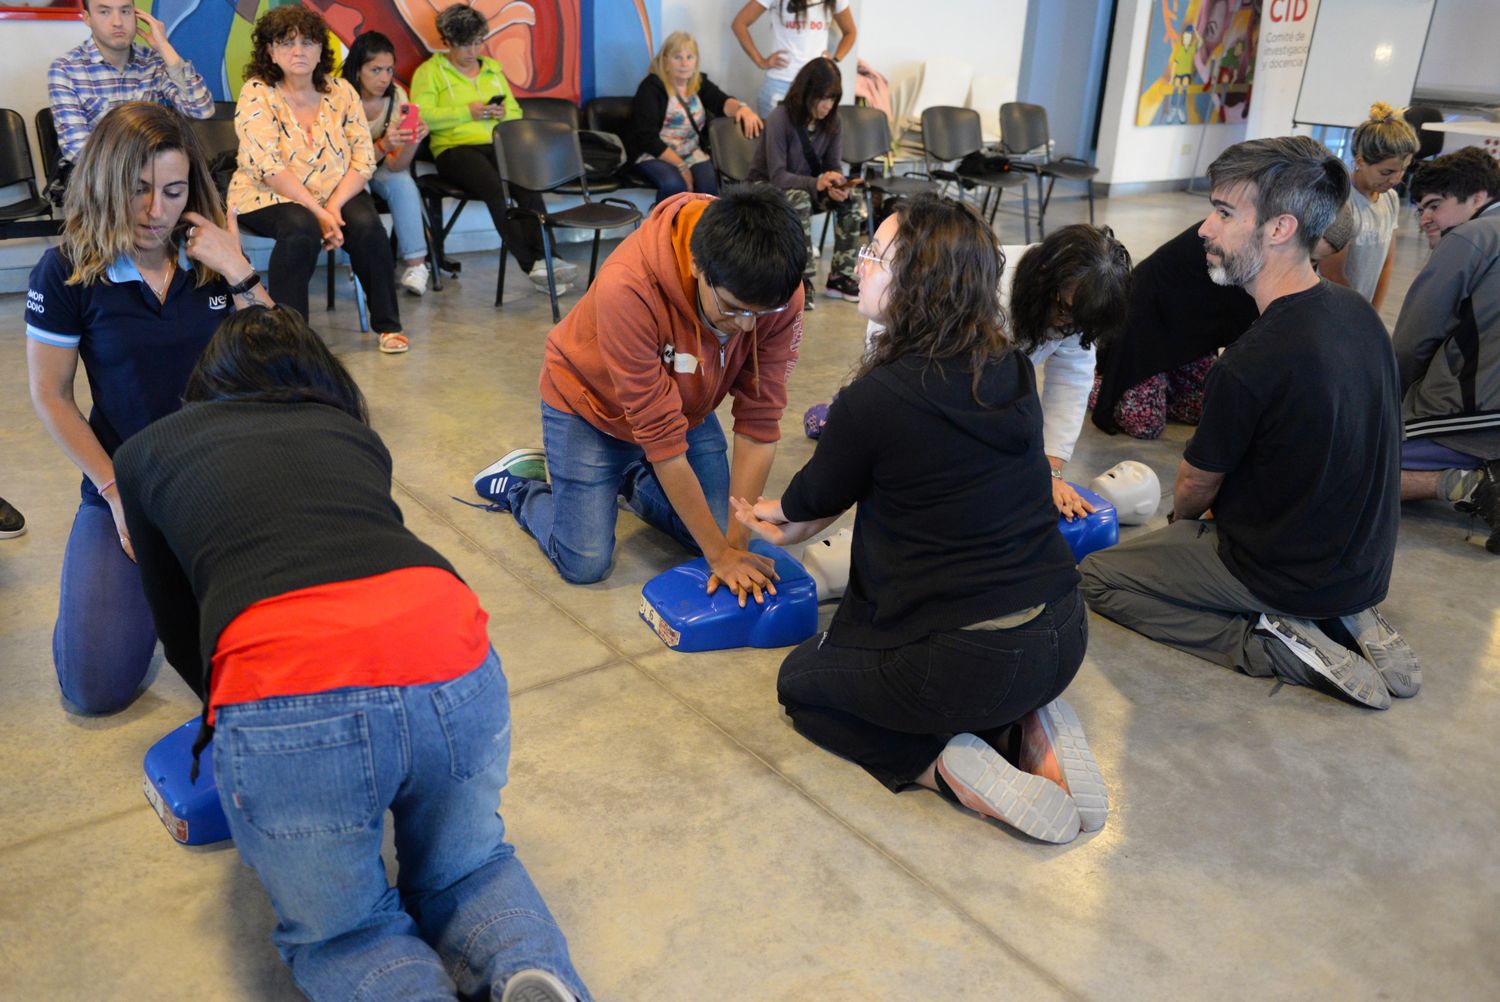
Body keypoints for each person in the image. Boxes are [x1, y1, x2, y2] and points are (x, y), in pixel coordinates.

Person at [113, 306, 590, 1002]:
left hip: (286, 677)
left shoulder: (146, 452)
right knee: (470, 868)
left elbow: (178, 626)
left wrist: (230, 729)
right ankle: (524, 967)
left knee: (347, 933)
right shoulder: (350, 431)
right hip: (449, 650)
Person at [733, 194, 1105, 845]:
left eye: (876, 254)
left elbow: (801, 512)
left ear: (919, 284)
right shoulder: (1012, 367)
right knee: (974, 654)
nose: (862, 262)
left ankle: (943, 765)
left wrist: (757, 516)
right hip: (1063, 632)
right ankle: (1025, 720)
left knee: (802, 685)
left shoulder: (873, 400)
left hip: (962, 665)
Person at [1080, 136, 1416, 711]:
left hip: (1281, 574)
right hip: (1365, 567)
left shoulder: (1250, 360)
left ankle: (1269, 644)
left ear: (1280, 229)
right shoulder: (1358, 315)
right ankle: (1347, 616)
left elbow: (1193, 489)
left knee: (1095, 576)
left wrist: (1181, 529)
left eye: (1224, 213)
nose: (1205, 229)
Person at [25, 102, 272, 715]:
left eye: (172, 190)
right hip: (126, 481)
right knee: (94, 691)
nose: (155, 211)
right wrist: (113, 495)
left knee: (272, 666)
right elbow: (51, 396)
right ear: (106, 181)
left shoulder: (213, 260)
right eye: (137, 190)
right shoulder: (66, 271)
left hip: (224, 480)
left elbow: (284, 362)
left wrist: (238, 268)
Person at [469, 187, 805, 596]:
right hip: (590, 409)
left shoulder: (777, 293)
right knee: (585, 562)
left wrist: (734, 547)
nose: (748, 326)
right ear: (699, 266)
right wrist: (718, 557)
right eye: (734, 308)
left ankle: (625, 475)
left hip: (681, 410)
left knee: (718, 531)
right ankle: (523, 486)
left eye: (761, 312)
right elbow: (663, 443)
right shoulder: (629, 286)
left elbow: (758, 423)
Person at [229, 6, 409, 354]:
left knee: (369, 226)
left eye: (308, 42)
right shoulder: (257, 92)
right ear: (270, 50)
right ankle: (290, 338)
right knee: (301, 228)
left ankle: (388, 325)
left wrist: (334, 206)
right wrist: (319, 211)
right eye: (286, 42)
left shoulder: (341, 91)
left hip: (336, 190)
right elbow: (267, 166)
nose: (298, 51)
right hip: (268, 194)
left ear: (320, 49)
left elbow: (363, 157)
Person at [1090, 202, 1354, 439]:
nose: (1308, 265)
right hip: (1150, 322)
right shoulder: (1246, 244)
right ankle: (1102, 380)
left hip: (1192, 334)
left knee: (1201, 410)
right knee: (1145, 425)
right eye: (1307, 256)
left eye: (1315, 261)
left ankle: (1163, 382)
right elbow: (1258, 337)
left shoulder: (1281, 255)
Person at [411, 3, 579, 300]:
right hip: (454, 149)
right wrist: (468, 112)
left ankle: (549, 258)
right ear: (447, 42)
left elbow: (515, 112)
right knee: (493, 188)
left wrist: (501, 113)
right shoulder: (430, 72)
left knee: (528, 184)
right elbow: (423, 116)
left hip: (498, 145)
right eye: (465, 44)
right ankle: (532, 265)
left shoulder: (493, 70)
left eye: (477, 42)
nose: (472, 50)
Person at [1393, 165, 1500, 553]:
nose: (1425, 219)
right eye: (1420, 208)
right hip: (1486, 416)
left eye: (1435, 205)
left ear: (1477, 198)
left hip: (1469, 419)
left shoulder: (1471, 237)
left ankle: (1471, 484)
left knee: (1330, 460)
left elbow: (1411, 342)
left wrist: (1381, 406)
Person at [1001, 226, 1132, 516]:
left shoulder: (1078, 304)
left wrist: (1051, 472)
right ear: (1045, 275)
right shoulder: (991, 286)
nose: (1068, 325)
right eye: (1065, 311)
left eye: (1080, 321)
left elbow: (1070, 380)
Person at [748, 57, 866, 306]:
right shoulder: (781, 117)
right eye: (823, 98)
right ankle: (802, 280)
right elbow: (778, 176)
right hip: (766, 189)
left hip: (809, 187)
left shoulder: (834, 121)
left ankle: (840, 276)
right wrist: (817, 184)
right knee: (798, 199)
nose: (827, 105)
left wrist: (836, 184)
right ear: (807, 94)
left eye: (833, 98)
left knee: (852, 199)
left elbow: (832, 165)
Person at [48, 0, 213, 168]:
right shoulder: (66, 69)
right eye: (104, 12)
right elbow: (77, 149)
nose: (118, 22)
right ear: (87, 18)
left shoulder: (153, 61)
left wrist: (164, 47)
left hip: (153, 172)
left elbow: (201, 109)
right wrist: (133, 174)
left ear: (136, 15)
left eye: (125, 11)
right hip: (99, 178)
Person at [343, 31, 432, 296]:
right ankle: (365, 262)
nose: (384, 78)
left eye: (389, 70)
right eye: (376, 70)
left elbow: (396, 166)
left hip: (380, 166)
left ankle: (417, 265)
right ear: (358, 70)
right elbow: (342, 159)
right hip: (345, 170)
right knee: (359, 191)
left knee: (403, 183)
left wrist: (412, 139)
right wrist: (383, 145)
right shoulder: (340, 96)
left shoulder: (396, 96)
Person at [626, 32, 762, 205]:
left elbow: (722, 102)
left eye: (690, 57)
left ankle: (699, 229)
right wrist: (681, 166)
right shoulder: (651, 87)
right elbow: (647, 138)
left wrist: (743, 109)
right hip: (655, 153)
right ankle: (663, 227)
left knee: (709, 186)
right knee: (674, 184)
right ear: (666, 61)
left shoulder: (698, 83)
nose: (684, 63)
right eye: (678, 57)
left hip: (691, 151)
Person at [1318, 102, 1417, 309]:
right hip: (1333, 307)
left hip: (1363, 309)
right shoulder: (1342, 202)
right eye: (1386, 172)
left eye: (1403, 170)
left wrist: (1374, 311)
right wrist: (1362, 315)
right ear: (1361, 161)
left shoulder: (1390, 198)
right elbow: (1332, 273)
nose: (1396, 180)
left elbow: (1387, 263)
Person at [732, 0, 857, 117]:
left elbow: (850, 31)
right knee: (775, 138)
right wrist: (761, 61)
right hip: (780, 84)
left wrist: (834, 59)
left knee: (812, 139)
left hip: (817, 85)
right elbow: (739, 23)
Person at [1410, 146, 1500, 250]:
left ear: (1476, 200)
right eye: (1420, 212)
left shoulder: (1468, 239)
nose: (1423, 222)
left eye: (1434, 206)